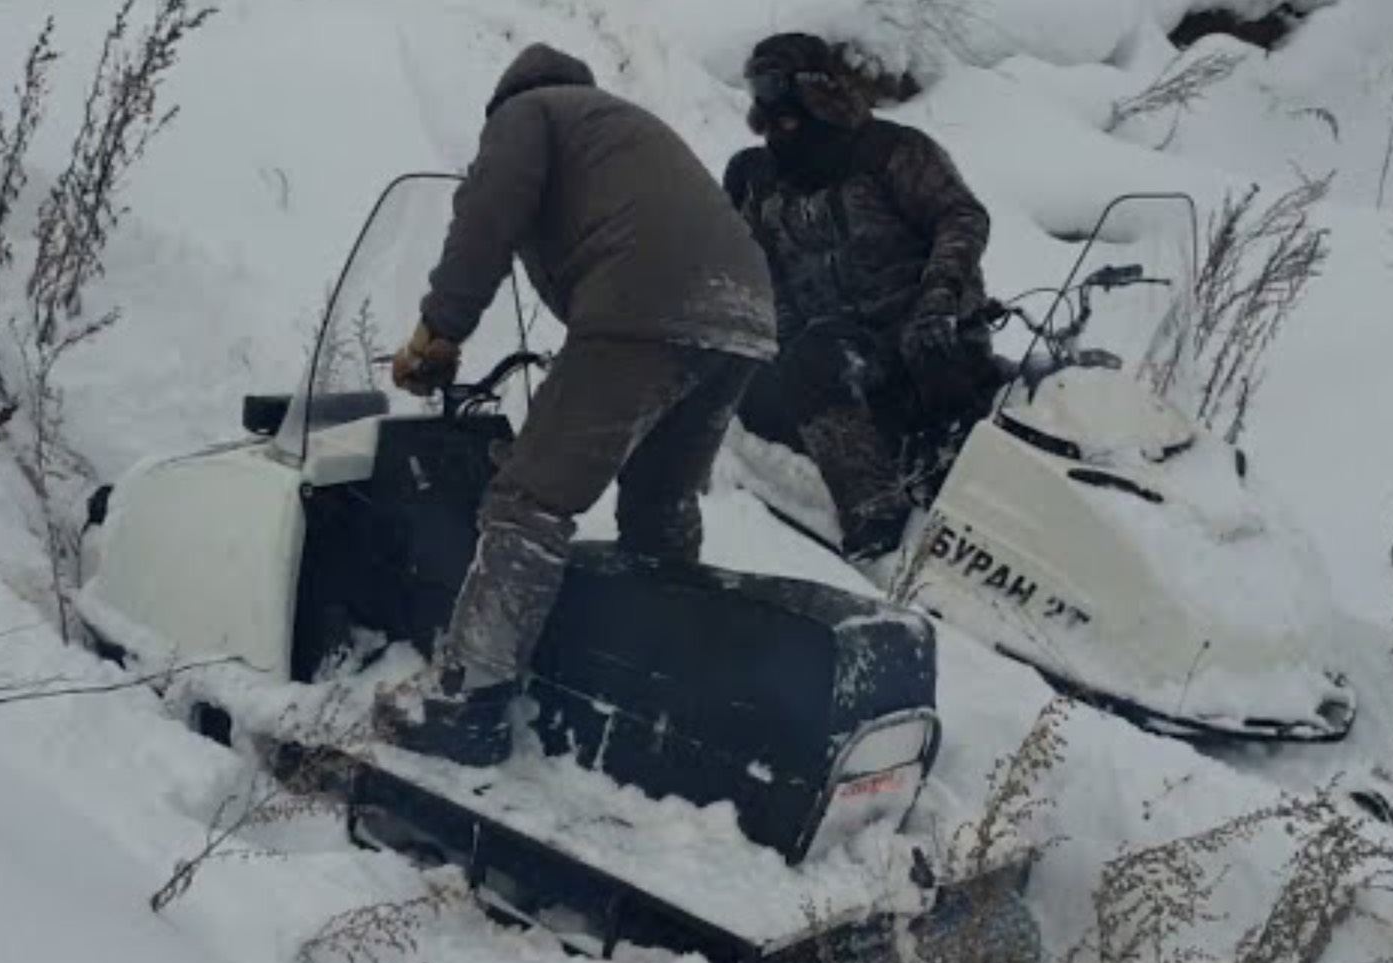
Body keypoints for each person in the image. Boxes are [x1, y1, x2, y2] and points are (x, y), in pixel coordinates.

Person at [376, 43, 779, 767]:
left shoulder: (526, 115)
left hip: (647, 302)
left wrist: (438, 333)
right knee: (659, 506)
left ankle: (463, 703)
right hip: (744, 317)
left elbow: (484, 222)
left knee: (529, 498)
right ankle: (659, 677)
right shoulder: (616, 126)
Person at [722, 32, 1003, 566]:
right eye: (758, 84)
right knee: (807, 360)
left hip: (930, 329)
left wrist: (940, 298)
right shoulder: (756, 179)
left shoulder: (891, 150)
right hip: (840, 350)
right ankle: (874, 514)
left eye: (777, 81)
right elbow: (755, 267)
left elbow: (960, 217)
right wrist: (781, 335)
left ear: (813, 87)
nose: (769, 100)